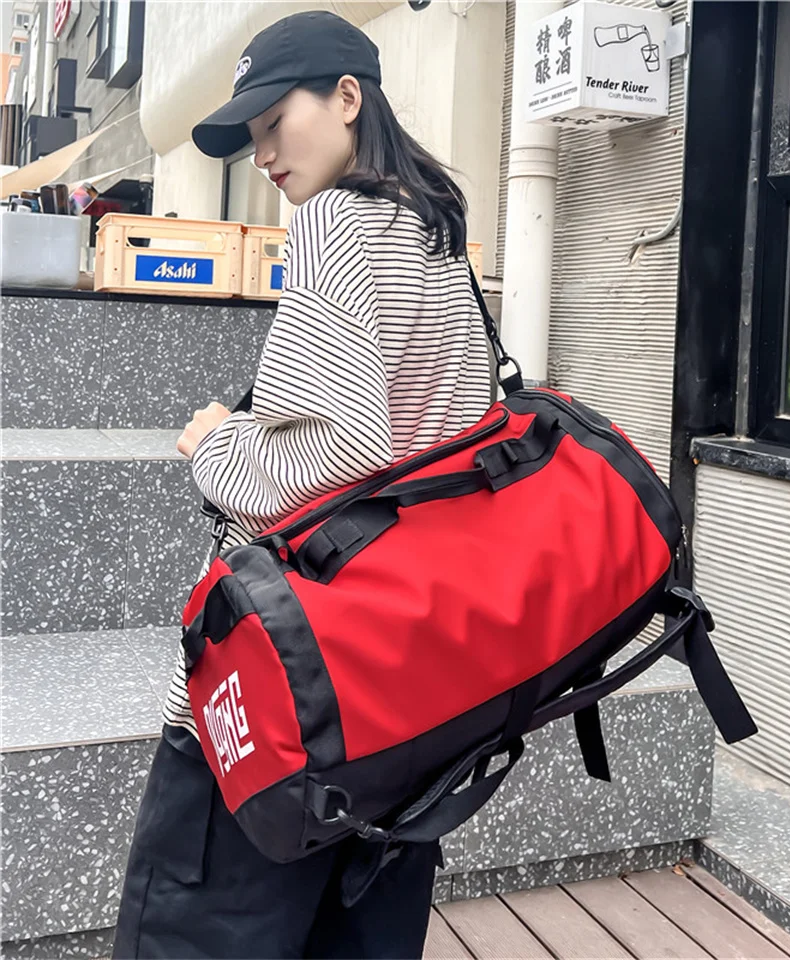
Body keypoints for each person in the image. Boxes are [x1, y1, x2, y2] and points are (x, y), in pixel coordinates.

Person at [112, 11, 491, 958]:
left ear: (348, 97)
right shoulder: (436, 230)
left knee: (194, 932)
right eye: (253, 135)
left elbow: (338, 451)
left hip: (287, 681)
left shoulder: (336, 220)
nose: (265, 153)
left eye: (276, 121)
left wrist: (215, 445)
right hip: (406, 685)